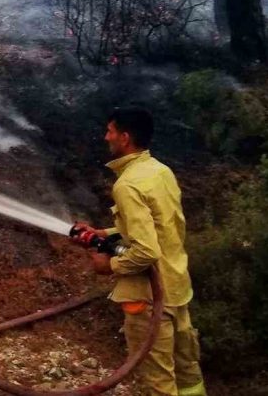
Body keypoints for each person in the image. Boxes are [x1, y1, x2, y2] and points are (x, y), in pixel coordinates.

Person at [73, 107, 206, 396]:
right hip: (177, 288)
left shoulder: (128, 185)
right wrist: (103, 234)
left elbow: (145, 251)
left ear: (125, 137)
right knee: (188, 374)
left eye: (109, 131)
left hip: (147, 299)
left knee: (158, 383)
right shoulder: (160, 171)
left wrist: (109, 266)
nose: (105, 136)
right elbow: (159, 226)